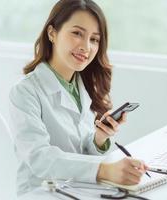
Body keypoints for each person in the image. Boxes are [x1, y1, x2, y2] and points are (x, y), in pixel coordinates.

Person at [9, 0, 149, 196]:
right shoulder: (25, 91)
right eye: (77, 33)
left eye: (94, 39)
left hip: (79, 188)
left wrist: (99, 139)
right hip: (42, 192)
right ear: (52, 33)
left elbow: (79, 151)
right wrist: (104, 170)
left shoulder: (81, 85)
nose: (86, 47)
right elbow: (40, 159)